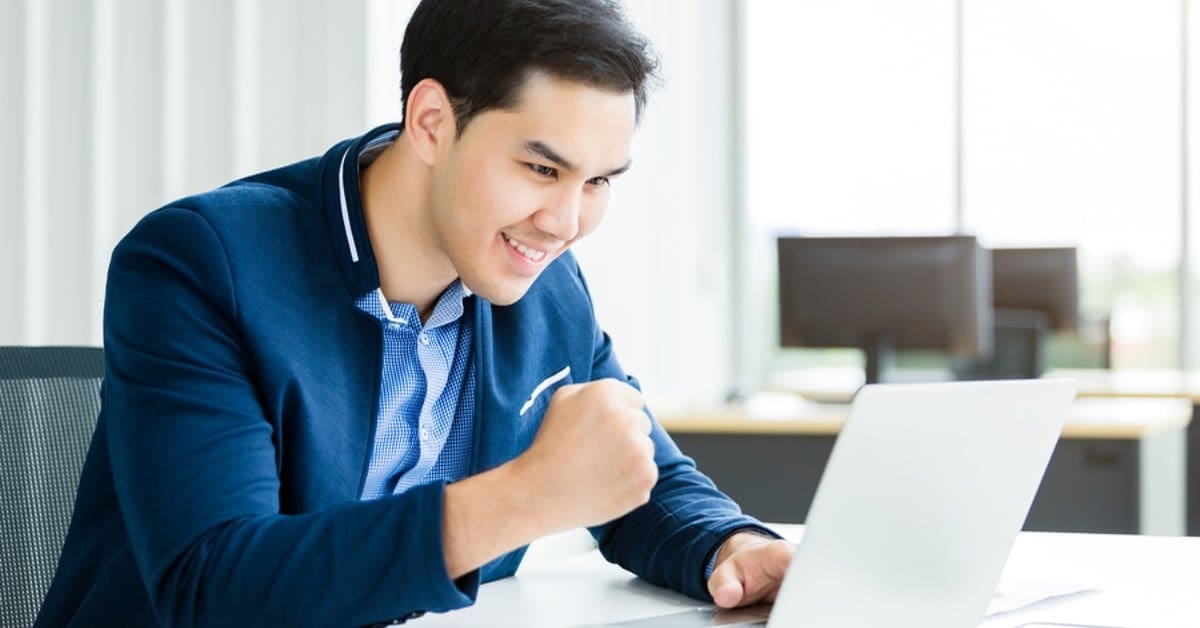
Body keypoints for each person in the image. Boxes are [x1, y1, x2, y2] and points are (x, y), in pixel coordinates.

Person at [37, 1, 793, 625]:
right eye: (541, 168)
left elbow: (635, 478)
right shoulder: (205, 262)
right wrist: (519, 497)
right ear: (431, 121)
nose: (566, 222)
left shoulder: (543, 284)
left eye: (598, 181)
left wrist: (731, 544)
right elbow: (214, 584)